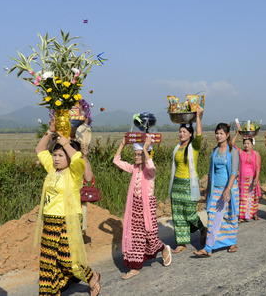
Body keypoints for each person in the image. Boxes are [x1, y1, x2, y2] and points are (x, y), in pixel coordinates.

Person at [35, 118, 100, 296]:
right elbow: (40, 150)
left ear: (68, 158)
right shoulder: (51, 169)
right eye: (54, 155)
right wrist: (50, 131)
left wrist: (66, 142)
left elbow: (78, 159)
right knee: (47, 261)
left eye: (60, 156)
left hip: (68, 219)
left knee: (67, 258)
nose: (55, 159)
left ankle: (91, 277)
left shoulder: (74, 172)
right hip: (50, 219)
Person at [113, 136, 172, 280]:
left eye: (140, 154)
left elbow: (151, 167)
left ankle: (164, 248)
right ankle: (134, 267)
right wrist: (122, 144)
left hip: (147, 206)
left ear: (145, 156)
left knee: (150, 235)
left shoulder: (150, 172)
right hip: (135, 206)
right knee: (135, 237)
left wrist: (145, 149)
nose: (136, 157)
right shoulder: (133, 169)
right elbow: (116, 161)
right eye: (135, 154)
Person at [193, 123, 239, 256]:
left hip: (229, 188)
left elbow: (233, 172)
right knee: (212, 216)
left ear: (227, 135)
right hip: (215, 189)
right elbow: (210, 172)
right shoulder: (214, 151)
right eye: (217, 133)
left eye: (221, 134)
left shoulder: (233, 151)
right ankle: (209, 247)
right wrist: (208, 190)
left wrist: (228, 189)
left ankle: (231, 241)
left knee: (229, 217)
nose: (218, 136)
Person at [168, 107, 207, 254]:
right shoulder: (177, 148)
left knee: (190, 213)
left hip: (189, 184)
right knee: (177, 214)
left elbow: (200, 135)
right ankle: (182, 242)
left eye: (184, 132)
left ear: (190, 134)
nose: (181, 134)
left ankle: (203, 229)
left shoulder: (194, 147)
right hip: (177, 184)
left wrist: (197, 117)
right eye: (180, 131)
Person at [231, 131, 262, 222]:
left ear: (252, 144)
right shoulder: (241, 152)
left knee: (253, 197)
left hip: (252, 178)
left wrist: (256, 178)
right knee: (243, 197)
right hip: (242, 179)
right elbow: (232, 144)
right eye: (244, 143)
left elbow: (257, 167)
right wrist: (237, 134)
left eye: (248, 143)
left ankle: (254, 213)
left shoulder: (256, 154)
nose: (246, 145)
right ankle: (242, 216)